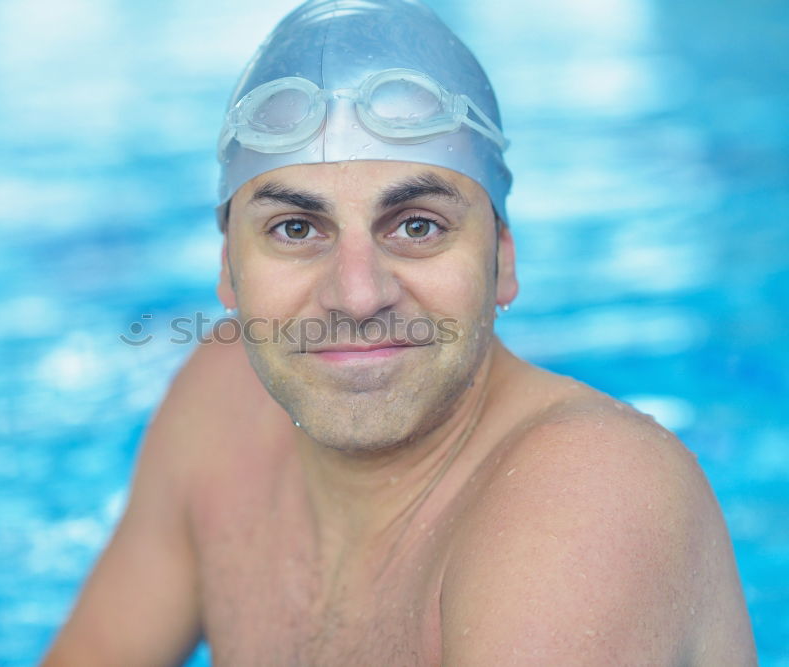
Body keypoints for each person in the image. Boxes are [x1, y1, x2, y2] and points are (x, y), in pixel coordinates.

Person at [42, 0, 757, 664]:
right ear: (229, 273)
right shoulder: (220, 404)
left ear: (502, 261)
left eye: (418, 226)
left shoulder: (596, 497)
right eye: (296, 228)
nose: (358, 294)